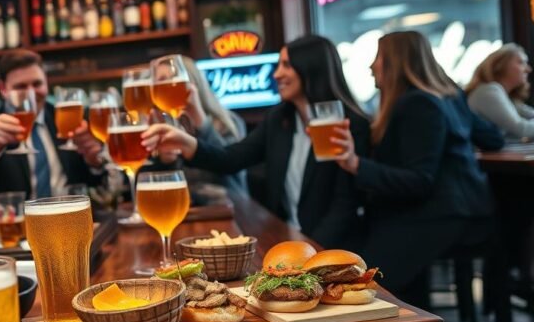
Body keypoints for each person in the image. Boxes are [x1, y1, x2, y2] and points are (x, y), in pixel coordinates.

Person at [141, 35, 370, 249]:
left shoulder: (351, 126)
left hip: (330, 249)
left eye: (286, 65)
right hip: (285, 241)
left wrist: (310, 253)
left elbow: (344, 209)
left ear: (311, 68)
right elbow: (231, 159)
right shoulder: (279, 120)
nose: (277, 74)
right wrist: (188, 143)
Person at [328, 31, 504, 307]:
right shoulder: (449, 95)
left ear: (396, 62)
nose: (371, 65)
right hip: (470, 209)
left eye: (378, 57)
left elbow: (419, 181)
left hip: (444, 215)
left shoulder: (417, 103)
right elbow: (494, 138)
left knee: (369, 278)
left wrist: (355, 164)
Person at [0, 49, 104, 219]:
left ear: (46, 83)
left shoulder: (66, 118)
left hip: (68, 221)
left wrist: (93, 160)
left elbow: (93, 180)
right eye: (21, 86)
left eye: (37, 84)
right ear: (3, 89)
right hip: (17, 230)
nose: (31, 93)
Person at [155, 55, 248, 197]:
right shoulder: (161, 129)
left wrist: (201, 120)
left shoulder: (229, 122)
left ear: (192, 81)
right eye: (161, 80)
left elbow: (229, 166)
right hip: (192, 214)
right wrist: (166, 162)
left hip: (233, 210)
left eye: (173, 77)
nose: (168, 84)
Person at [465, 44, 534, 140]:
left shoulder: (504, 94)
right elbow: (521, 129)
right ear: (499, 65)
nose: (528, 69)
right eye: (521, 62)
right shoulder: (488, 91)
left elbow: (530, 114)